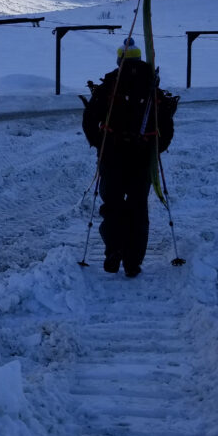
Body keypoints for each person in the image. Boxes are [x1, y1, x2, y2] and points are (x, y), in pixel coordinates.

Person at [81, 38, 175, 278]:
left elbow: (90, 119)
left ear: (119, 59)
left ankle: (114, 249)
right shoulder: (152, 87)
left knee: (111, 205)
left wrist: (99, 144)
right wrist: (155, 150)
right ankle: (133, 262)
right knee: (137, 209)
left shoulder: (109, 85)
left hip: (112, 155)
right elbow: (166, 127)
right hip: (141, 159)